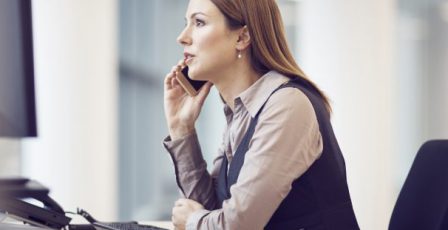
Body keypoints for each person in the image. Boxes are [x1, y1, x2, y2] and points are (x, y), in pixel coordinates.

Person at [163, 0, 359, 229]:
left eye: (198, 22)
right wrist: (181, 128)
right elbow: (216, 210)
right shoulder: (242, 112)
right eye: (186, 23)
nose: (182, 37)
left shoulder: (287, 106)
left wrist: (191, 222)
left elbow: (237, 224)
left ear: (242, 38)